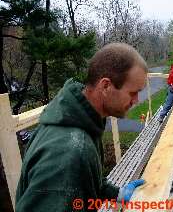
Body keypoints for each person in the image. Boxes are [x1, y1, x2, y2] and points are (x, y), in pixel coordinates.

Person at [16, 43, 147, 212]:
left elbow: (86, 182)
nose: (136, 100)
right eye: (132, 93)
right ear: (106, 86)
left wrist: (117, 194)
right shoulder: (70, 152)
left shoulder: (84, 120)